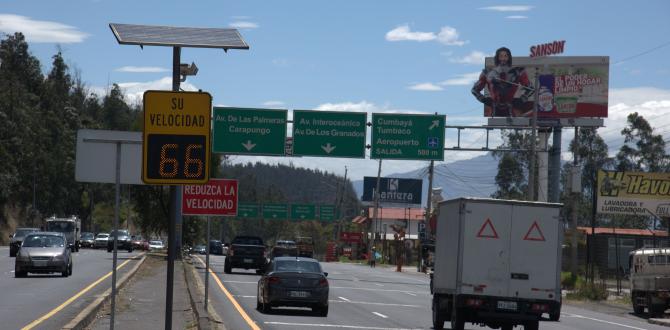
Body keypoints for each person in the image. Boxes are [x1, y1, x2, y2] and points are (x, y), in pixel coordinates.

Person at [471, 47, 534, 117]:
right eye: (501, 56)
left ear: (509, 57)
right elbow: (474, 90)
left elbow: (530, 88)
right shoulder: (487, 73)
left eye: (505, 56)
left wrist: (521, 100)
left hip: (510, 109)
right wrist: (484, 100)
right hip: (494, 110)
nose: (503, 59)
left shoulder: (518, 72)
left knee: (511, 125)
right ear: (497, 57)